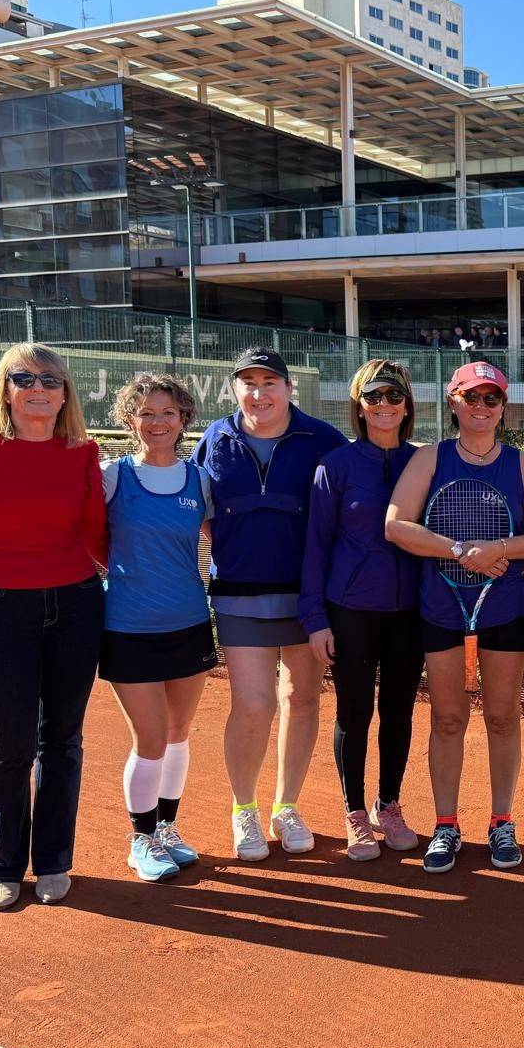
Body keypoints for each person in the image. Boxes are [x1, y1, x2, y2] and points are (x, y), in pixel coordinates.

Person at [0, 344, 108, 910]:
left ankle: (53, 860)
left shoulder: (82, 453)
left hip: (76, 603)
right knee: (8, 742)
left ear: (65, 393)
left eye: (50, 380)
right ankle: (2, 865)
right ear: (5, 390)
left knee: (63, 738)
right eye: (23, 378)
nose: (38, 389)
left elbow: (98, 534)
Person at [387, 361, 524, 872]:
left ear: (502, 407)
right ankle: (446, 825)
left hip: (506, 608)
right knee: (447, 718)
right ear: (453, 402)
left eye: (491, 398)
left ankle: (501, 821)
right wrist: (461, 550)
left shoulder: (522, 465)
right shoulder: (429, 459)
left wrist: (499, 548)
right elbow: (396, 526)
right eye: (471, 397)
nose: (481, 406)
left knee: (502, 717)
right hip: (441, 607)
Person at [192, 347, 346, 861]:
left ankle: (287, 805)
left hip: (308, 596)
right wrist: (236, 549)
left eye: (269, 383)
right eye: (248, 383)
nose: (259, 394)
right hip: (239, 594)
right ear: (235, 388)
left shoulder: (322, 439)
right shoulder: (216, 439)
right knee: (253, 704)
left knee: (301, 698)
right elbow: (203, 511)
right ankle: (244, 809)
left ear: (288, 388)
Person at [300, 360, 423, 862]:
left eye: (394, 396)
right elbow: (315, 546)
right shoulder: (336, 465)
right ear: (359, 405)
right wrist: (315, 619)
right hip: (349, 609)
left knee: (398, 712)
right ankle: (354, 812)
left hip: (411, 612)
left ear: (407, 405)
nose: (384, 405)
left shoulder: (424, 462)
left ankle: (387, 805)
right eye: (373, 396)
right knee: (354, 713)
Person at [100, 374, 218, 884]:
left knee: (177, 735)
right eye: (146, 413)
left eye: (167, 412)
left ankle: (167, 828)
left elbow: (221, 539)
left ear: (183, 418)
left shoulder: (200, 480)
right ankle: (141, 839)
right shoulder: (112, 476)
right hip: (128, 627)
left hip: (189, 622)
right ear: (130, 421)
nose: (157, 422)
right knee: (149, 738)